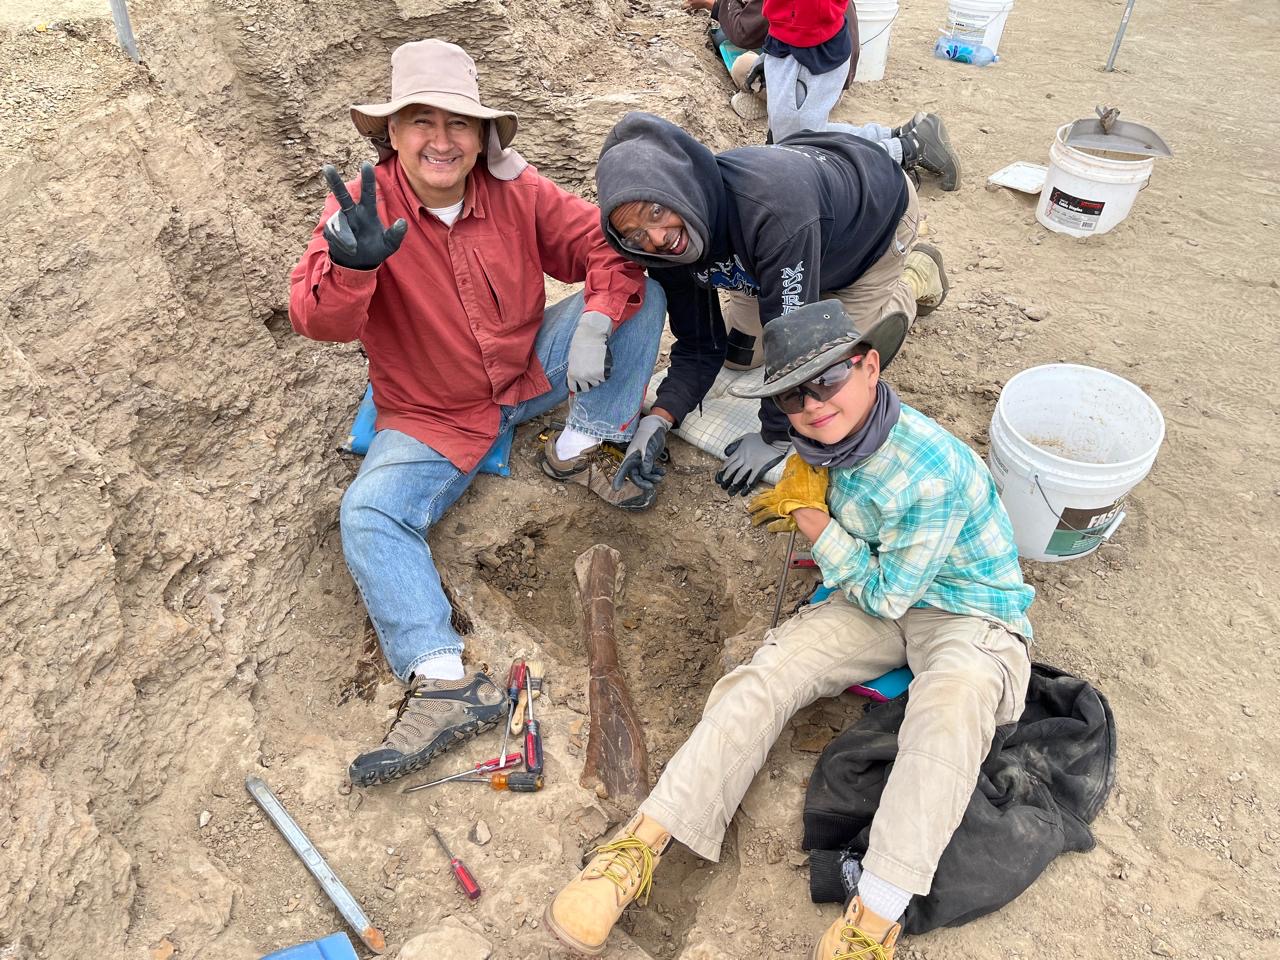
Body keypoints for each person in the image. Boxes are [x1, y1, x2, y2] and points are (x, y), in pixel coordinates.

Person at [545, 300, 1035, 959]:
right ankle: (638, 845)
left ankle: (875, 915)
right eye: (795, 395)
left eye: (828, 380)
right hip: (876, 589)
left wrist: (814, 522)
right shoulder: (818, 446)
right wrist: (817, 502)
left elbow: (888, 594)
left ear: (868, 367)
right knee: (770, 670)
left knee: (950, 708)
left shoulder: (932, 472)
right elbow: (872, 582)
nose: (814, 404)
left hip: (964, 609)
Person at [288, 39, 667, 787]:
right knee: (369, 511)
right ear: (390, 134)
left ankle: (586, 437)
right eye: (420, 121)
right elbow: (315, 319)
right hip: (433, 413)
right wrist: (351, 266)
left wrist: (593, 319)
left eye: (458, 122)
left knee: (642, 294)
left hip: (529, 370)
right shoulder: (360, 210)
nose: (441, 139)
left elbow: (605, 246)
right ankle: (443, 678)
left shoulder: (516, 191)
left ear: (483, 136)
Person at [596, 111, 949, 499]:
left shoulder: (771, 210)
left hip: (871, 228)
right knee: (739, 356)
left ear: (679, 185)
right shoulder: (667, 248)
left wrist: (775, 435)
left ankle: (915, 277)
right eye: (635, 234)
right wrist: (661, 418)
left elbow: (798, 352)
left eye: (657, 212)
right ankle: (803, 284)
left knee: (840, 369)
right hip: (773, 254)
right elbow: (700, 346)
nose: (658, 239)